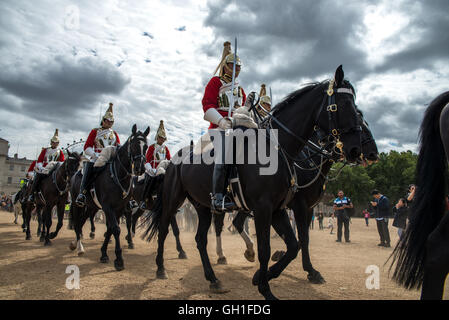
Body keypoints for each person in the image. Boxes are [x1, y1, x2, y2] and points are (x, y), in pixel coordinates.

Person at [202, 41, 246, 213]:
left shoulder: (240, 89)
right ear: (225, 67)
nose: (235, 69)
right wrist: (221, 121)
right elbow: (207, 105)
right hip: (218, 128)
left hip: (237, 127)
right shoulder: (215, 82)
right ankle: (217, 197)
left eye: (238, 66)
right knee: (224, 156)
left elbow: (242, 109)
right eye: (232, 65)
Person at [76, 103, 120, 206]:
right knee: (89, 167)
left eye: (111, 121)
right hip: (97, 157)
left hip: (110, 159)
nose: (109, 123)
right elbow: (87, 147)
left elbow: (118, 146)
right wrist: (95, 155)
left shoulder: (114, 134)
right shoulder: (95, 131)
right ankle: (82, 193)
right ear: (103, 121)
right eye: (107, 121)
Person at [139, 120, 171, 210]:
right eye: (161, 137)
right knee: (149, 179)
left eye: (163, 138)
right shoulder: (152, 147)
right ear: (157, 137)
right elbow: (147, 160)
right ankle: (143, 200)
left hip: (162, 169)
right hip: (153, 169)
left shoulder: (166, 149)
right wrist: (150, 169)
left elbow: (169, 159)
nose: (162, 139)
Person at [28, 129, 65, 202]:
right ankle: (32, 194)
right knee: (37, 177)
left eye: (56, 143)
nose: (54, 144)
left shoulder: (60, 152)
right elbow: (39, 160)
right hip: (45, 169)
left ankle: (65, 197)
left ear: (58, 143)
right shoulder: (45, 150)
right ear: (51, 142)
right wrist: (41, 168)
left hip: (55, 169)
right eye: (53, 142)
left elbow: (62, 162)